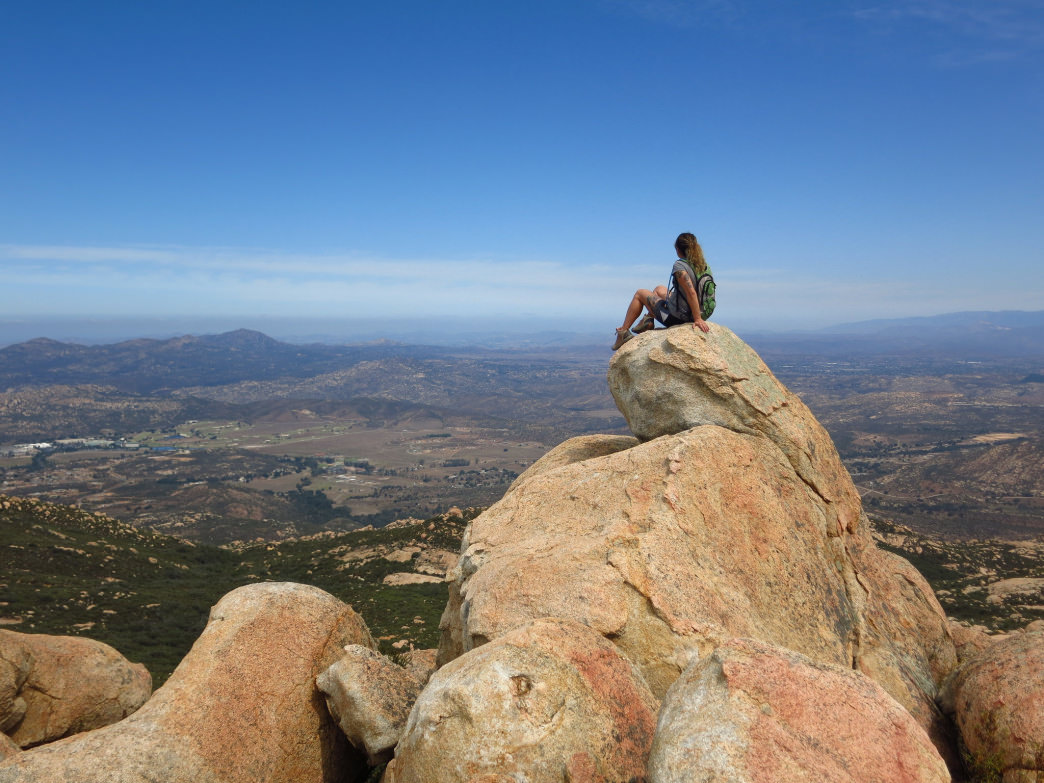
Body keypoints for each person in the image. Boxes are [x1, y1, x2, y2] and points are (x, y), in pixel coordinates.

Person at [613, 232, 712, 350]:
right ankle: (648, 321)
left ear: (678, 249)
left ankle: (623, 332)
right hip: (700, 311)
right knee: (659, 289)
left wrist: (697, 319)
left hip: (679, 318)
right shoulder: (703, 265)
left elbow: (691, 292)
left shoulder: (680, 266)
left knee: (640, 293)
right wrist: (700, 316)